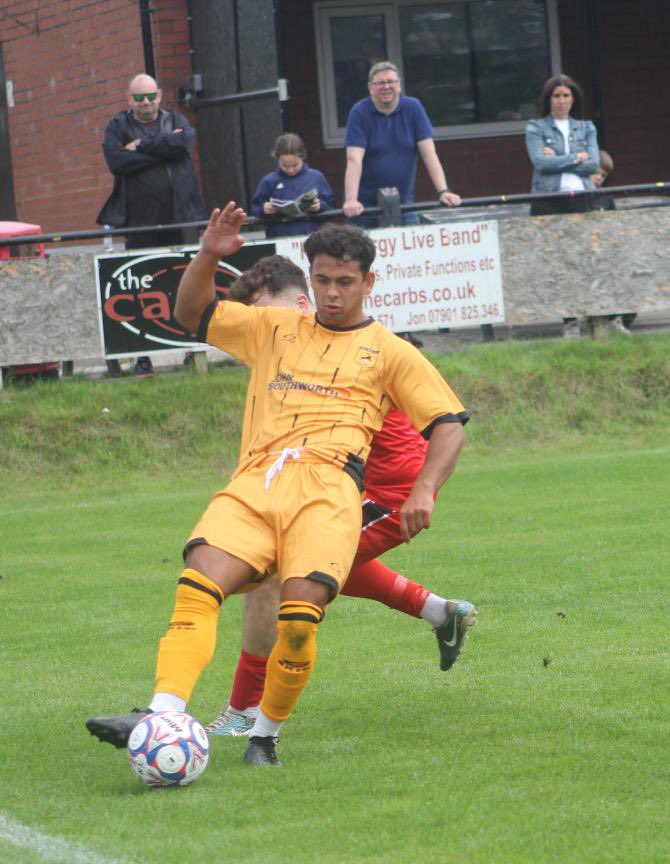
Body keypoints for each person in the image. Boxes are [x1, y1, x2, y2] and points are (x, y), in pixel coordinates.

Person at [86, 204, 474, 767]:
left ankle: (263, 734)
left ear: (368, 282)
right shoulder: (272, 328)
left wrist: (424, 490)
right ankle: (163, 711)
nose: (333, 293)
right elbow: (190, 311)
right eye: (322, 280)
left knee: (297, 615)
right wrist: (209, 254)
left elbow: (448, 426)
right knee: (198, 585)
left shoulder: (391, 352)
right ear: (309, 277)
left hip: (330, 493)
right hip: (256, 483)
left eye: (345, 282)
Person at [201, 256, 477, 736]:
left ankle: (244, 711)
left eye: (268, 311)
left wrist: (424, 490)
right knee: (309, 564)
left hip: (387, 493)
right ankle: (439, 611)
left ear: (302, 303)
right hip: (336, 485)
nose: (261, 324)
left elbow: (449, 424)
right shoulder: (288, 344)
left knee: (278, 570)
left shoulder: (348, 345)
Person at [97, 73, 206, 376]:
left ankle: (192, 347)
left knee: (185, 282)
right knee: (140, 285)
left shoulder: (177, 119)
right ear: (129, 99)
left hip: (182, 215)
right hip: (139, 220)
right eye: (138, 98)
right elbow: (117, 162)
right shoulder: (118, 126)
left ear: (158, 95)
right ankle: (142, 357)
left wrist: (142, 145)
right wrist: (163, 151)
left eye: (150, 96)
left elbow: (183, 145)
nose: (145, 103)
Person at [525, 73, 600, 339]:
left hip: (582, 198)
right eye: (556, 96)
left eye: (566, 95)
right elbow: (540, 163)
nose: (561, 101)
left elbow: (593, 164)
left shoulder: (587, 127)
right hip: (549, 201)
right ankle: (569, 321)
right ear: (548, 99)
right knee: (558, 262)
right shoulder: (536, 127)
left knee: (586, 259)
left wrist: (558, 157)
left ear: (573, 98)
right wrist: (575, 157)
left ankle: (595, 316)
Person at [342, 61, 461, 226]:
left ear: (399, 85)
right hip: (363, 209)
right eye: (380, 83)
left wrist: (443, 191)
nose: (386, 87)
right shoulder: (359, 112)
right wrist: (351, 200)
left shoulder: (413, 107)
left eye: (391, 81)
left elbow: (429, 154)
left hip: (404, 205)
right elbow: (354, 159)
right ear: (370, 87)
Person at [250, 133, 336, 237]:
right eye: (285, 165)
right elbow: (254, 208)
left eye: (295, 165)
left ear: (302, 158)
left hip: (311, 235)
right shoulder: (269, 181)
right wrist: (264, 209)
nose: (290, 170)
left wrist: (319, 206)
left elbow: (331, 206)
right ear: (277, 159)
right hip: (278, 235)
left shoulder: (316, 177)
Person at [589, 150, 635, 336]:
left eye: (603, 175)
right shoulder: (575, 196)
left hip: (606, 250)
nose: (599, 178)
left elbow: (613, 223)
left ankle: (618, 320)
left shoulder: (606, 197)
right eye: (596, 172)